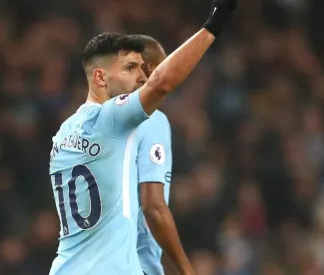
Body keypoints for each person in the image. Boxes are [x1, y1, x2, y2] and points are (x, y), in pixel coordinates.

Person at [48, 0, 237, 273]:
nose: (141, 77)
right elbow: (162, 83)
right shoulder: (111, 119)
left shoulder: (64, 133)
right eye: (130, 68)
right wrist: (213, 25)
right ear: (100, 78)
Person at [133, 34, 192, 275]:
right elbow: (153, 207)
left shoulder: (86, 123)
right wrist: (186, 270)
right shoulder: (151, 120)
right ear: (152, 69)